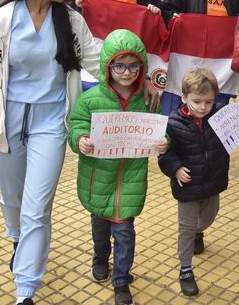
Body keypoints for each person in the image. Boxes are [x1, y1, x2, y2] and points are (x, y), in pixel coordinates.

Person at [0, 0, 159, 305]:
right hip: (7, 121)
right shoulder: (1, 22)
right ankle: (19, 240)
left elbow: (100, 60)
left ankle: (25, 289)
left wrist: (138, 74)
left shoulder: (70, 21)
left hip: (51, 123)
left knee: (38, 207)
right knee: (14, 200)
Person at [68, 29, 168, 305]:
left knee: (124, 232)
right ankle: (100, 257)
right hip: (98, 177)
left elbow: (159, 129)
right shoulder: (90, 100)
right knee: (100, 227)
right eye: (120, 65)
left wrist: (164, 143)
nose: (127, 72)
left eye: (134, 65)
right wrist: (81, 140)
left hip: (131, 181)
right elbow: (76, 125)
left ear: (142, 67)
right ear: (107, 65)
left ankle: (121, 281)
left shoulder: (148, 101)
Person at [158, 68, 230, 297]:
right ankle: (185, 270)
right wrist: (176, 169)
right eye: (197, 101)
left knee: (208, 217)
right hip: (187, 187)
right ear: (184, 98)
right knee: (186, 228)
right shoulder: (173, 123)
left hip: (212, 183)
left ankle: (199, 232)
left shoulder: (219, 116)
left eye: (208, 102)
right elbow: (165, 155)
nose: (202, 107)